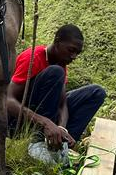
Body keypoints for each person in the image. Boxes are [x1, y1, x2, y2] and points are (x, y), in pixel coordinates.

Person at [6, 24, 106, 164]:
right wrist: (45, 122)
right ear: (58, 41)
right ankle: (38, 141)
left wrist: (61, 127)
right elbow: (7, 100)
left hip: (44, 119)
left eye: (77, 53)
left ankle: (59, 142)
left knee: (97, 92)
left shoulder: (61, 63)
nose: (74, 56)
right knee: (55, 72)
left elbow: (62, 104)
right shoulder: (34, 57)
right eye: (71, 50)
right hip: (16, 123)